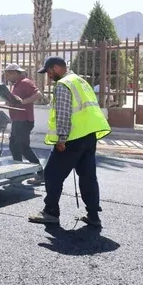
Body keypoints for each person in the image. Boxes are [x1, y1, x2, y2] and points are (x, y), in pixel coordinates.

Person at [29, 57, 111, 228]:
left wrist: (62, 139)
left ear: (56, 67)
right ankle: (93, 214)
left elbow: (64, 114)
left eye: (49, 72)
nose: (49, 76)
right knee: (88, 176)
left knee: (52, 174)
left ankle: (50, 212)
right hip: (89, 136)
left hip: (72, 138)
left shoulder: (64, 84)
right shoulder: (81, 81)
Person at [3, 64, 43, 182]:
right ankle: (18, 172)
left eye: (8, 74)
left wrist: (23, 102)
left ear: (15, 73)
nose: (7, 77)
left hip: (24, 120)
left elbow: (38, 95)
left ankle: (41, 174)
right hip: (17, 120)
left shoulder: (25, 82)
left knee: (23, 147)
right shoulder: (16, 85)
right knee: (14, 146)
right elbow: (17, 100)